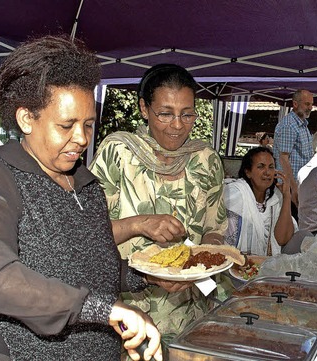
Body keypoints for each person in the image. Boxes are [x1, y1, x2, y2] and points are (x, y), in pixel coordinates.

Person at [0, 35, 162, 361]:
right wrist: (104, 308)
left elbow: (92, 268)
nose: (81, 138)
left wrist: (147, 277)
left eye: (88, 124)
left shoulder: (86, 183)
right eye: (66, 125)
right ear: (26, 119)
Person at [89, 64, 227, 343]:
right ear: (143, 108)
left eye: (187, 114)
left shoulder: (205, 159)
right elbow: (87, 233)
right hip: (130, 315)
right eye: (165, 114)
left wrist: (205, 258)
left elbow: (215, 228)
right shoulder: (119, 153)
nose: (177, 125)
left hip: (192, 311)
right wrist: (139, 224)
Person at [224, 146, 297, 255]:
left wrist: (287, 196)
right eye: (261, 167)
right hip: (235, 262)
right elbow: (227, 241)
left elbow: (282, 239)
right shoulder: (236, 193)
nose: (267, 172)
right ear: (248, 172)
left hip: (267, 265)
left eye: (271, 167)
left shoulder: (276, 197)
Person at [273, 89, 314, 205]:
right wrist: (293, 188)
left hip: (300, 184)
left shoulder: (302, 124)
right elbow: (283, 159)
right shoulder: (289, 125)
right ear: (295, 104)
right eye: (307, 104)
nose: (310, 107)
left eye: (311, 104)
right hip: (290, 187)